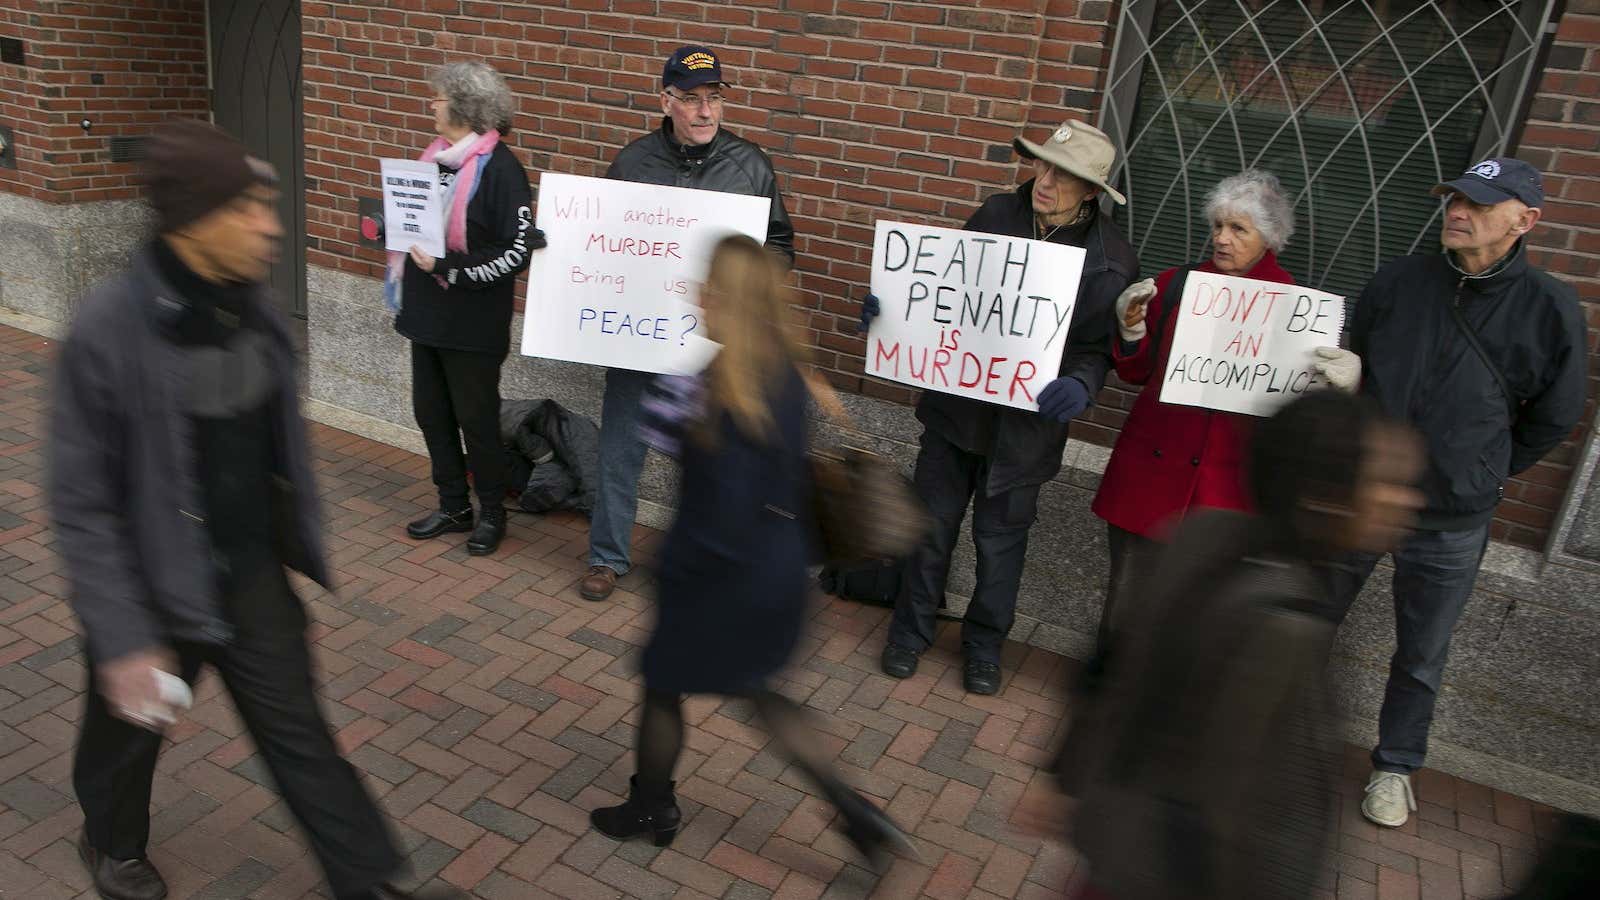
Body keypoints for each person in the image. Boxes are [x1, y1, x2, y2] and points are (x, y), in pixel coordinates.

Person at [49, 121, 453, 900]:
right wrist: (123, 639)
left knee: (302, 738)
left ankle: (374, 883)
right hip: (156, 584)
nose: (271, 225)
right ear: (196, 222)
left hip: (251, 571)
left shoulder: (253, 308)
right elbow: (82, 504)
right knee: (127, 738)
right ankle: (109, 840)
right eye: (250, 209)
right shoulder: (109, 329)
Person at [587, 236, 911, 864]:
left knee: (662, 685)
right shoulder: (787, 371)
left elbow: (724, 508)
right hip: (775, 574)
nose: (696, 295)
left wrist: (670, 566)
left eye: (705, 286)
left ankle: (652, 805)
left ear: (721, 295)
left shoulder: (717, 385)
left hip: (718, 576)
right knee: (760, 695)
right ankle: (858, 816)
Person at [1047, 391, 1425, 900]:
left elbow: (1110, 662)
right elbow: (1265, 811)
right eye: (1387, 482)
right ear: (1325, 496)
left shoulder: (1199, 533)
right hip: (1168, 876)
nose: (1408, 500)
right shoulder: (1288, 621)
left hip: (1116, 844)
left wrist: (1066, 778)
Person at [1314, 157, 1588, 828]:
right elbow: (1365, 362)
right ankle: (1276, 733)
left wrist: (1483, 470)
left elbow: (1556, 415)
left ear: (1525, 222)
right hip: (1362, 495)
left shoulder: (1550, 308)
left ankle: (1395, 766)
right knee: (1308, 619)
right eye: (1455, 198)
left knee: (1422, 653)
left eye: (1479, 203)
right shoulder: (1398, 282)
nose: (1458, 211)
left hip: (1452, 521)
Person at [864, 120, 1138, 695]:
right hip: (955, 411)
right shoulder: (995, 214)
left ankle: (985, 647)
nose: (1045, 179)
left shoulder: (1110, 259)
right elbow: (943, 290)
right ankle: (909, 634)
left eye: (1064, 174)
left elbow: (1095, 349)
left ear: (1091, 191)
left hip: (1025, 432)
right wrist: (892, 312)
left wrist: (1083, 385)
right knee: (930, 529)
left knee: (1001, 545)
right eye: (1043, 164)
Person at [579, 44, 795, 602]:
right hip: (640, 339)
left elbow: (780, 245)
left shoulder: (750, 166)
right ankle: (607, 556)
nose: (705, 112)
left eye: (715, 98)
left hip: (714, 350)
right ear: (666, 100)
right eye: (692, 99)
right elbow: (600, 242)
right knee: (621, 448)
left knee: (717, 462)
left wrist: (750, 287)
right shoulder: (632, 163)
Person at [1089, 170, 1297, 656]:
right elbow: (1136, 373)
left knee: (1195, 614)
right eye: (1218, 225)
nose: (1222, 238)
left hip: (1221, 491)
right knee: (1123, 601)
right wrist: (1133, 330)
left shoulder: (1294, 306)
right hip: (1150, 473)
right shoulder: (1176, 285)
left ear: (1268, 237)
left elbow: (1290, 410)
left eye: (1238, 229)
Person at [394, 60, 544, 557]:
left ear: (463, 105)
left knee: (476, 423)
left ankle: (493, 514)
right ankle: (454, 506)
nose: (431, 105)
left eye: (438, 97)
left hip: (473, 322)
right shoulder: (433, 159)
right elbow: (416, 224)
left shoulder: (502, 170)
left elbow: (515, 251)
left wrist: (448, 266)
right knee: (431, 415)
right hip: (427, 314)